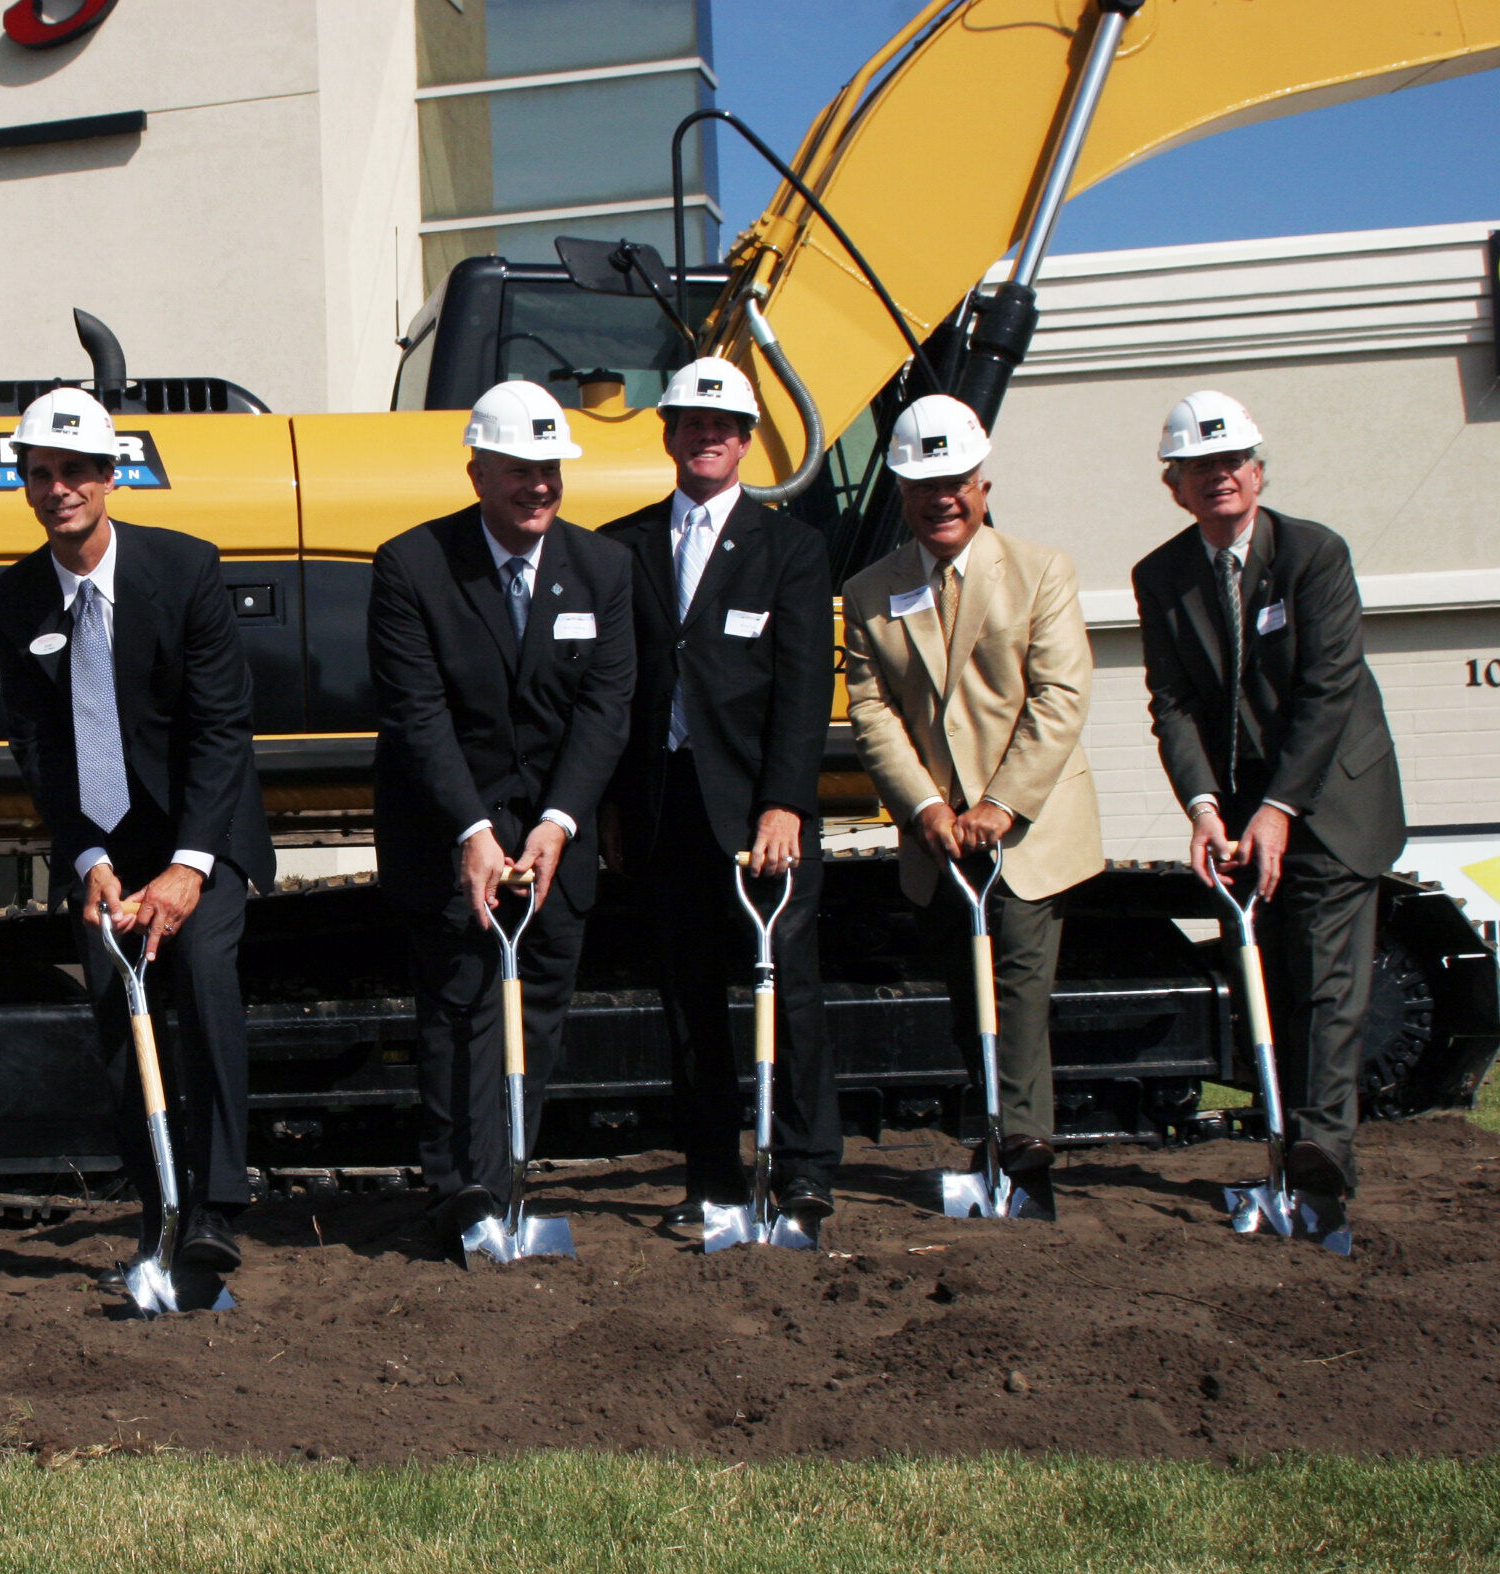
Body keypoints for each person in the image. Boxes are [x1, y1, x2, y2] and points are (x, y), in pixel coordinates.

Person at [0, 388, 275, 1276]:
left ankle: (215, 1209)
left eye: (75, 471)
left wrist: (188, 867)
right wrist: (89, 856)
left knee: (207, 987)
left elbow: (223, 726)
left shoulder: (184, 572)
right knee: (122, 1023)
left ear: (110, 477)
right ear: (27, 487)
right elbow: (36, 745)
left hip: (203, 831)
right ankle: (159, 1213)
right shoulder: (10, 600)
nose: (58, 488)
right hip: (103, 848)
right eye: (41, 474)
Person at [367, 380, 635, 1249]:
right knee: (457, 1007)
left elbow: (606, 707)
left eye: (551, 469)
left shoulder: (602, 569)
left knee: (540, 1006)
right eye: (520, 471)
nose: (540, 487)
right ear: (478, 470)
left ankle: (511, 1176)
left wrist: (558, 822)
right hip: (449, 829)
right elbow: (417, 713)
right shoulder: (413, 566)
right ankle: (460, 1194)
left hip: (557, 834)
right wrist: (473, 832)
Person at [1133, 390, 1404, 1199]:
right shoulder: (1163, 576)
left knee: (1326, 983)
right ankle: (1286, 1152)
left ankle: (1322, 1159)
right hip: (1241, 812)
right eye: (1198, 467)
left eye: (1231, 462)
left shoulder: (1314, 555)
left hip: (1332, 803)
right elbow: (1173, 703)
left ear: (1257, 471)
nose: (1219, 478)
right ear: (1173, 484)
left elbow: (1327, 690)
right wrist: (1205, 807)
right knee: (1270, 982)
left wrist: (1280, 811)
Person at [599, 358, 838, 1227]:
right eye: (692, 423)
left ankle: (805, 1169)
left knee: (789, 992)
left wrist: (786, 802)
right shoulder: (620, 547)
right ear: (668, 435)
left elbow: (806, 688)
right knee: (689, 1001)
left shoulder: (792, 548)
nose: (708, 436)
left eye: (724, 425)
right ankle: (712, 1177)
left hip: (757, 812)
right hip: (665, 807)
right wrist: (615, 809)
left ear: (746, 440)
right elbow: (614, 691)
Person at [842, 395, 1101, 1172]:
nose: (942, 496)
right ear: (901, 493)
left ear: (983, 485)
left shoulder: (1039, 570)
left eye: (956, 480)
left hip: (1027, 824)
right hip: (937, 835)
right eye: (924, 484)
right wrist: (925, 805)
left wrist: (998, 803)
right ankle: (992, 1126)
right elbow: (871, 708)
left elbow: (1060, 696)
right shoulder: (869, 590)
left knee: (1018, 982)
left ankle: (1022, 1139)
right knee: (965, 990)